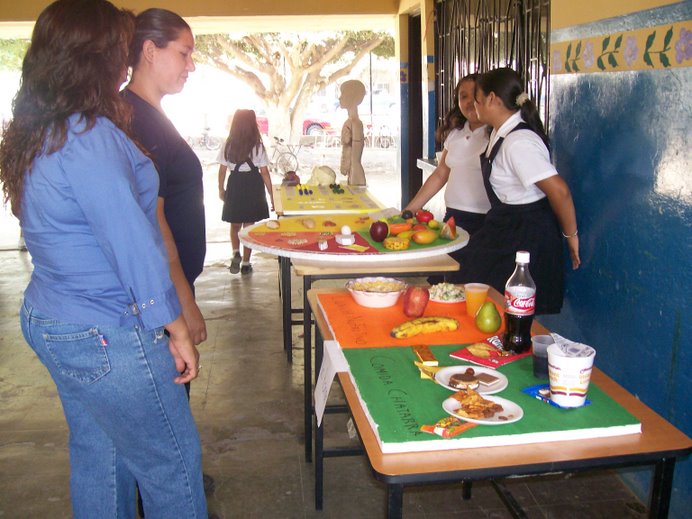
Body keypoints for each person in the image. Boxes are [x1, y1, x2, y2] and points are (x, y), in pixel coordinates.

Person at [0, 1, 207, 518]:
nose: (124, 59)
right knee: (171, 466)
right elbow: (131, 243)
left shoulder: (39, 128)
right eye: (119, 48)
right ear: (93, 57)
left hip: (54, 316)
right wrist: (175, 326)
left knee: (100, 453)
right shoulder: (85, 135)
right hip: (106, 329)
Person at [452, 67, 580, 314]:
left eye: (476, 99)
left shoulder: (518, 142)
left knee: (498, 299)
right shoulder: (501, 134)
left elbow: (559, 191)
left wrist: (570, 236)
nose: (474, 106)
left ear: (491, 99)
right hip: (506, 227)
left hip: (526, 235)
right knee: (465, 273)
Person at [124, 8, 207, 347]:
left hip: (168, 287)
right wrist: (184, 304)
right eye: (184, 53)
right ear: (149, 51)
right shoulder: (139, 122)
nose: (191, 66)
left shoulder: (147, 114)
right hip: (161, 294)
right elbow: (154, 225)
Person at [404, 74, 491, 235]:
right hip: (453, 216)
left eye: (475, 94)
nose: (470, 101)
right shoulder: (455, 135)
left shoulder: (494, 135)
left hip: (486, 221)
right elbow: (440, 174)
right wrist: (410, 209)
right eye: (463, 96)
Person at [217, 109, 274, 274]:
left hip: (235, 184)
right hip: (253, 185)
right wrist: (272, 195)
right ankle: (246, 264)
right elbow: (264, 173)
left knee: (235, 224)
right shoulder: (258, 146)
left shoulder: (228, 145)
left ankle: (235, 253)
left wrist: (221, 189)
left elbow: (222, 171)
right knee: (248, 226)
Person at [339, 79, 367, 186]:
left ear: (352, 97)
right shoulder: (350, 122)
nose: (340, 98)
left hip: (355, 173)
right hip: (351, 171)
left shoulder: (356, 124)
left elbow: (355, 156)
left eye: (343, 94)